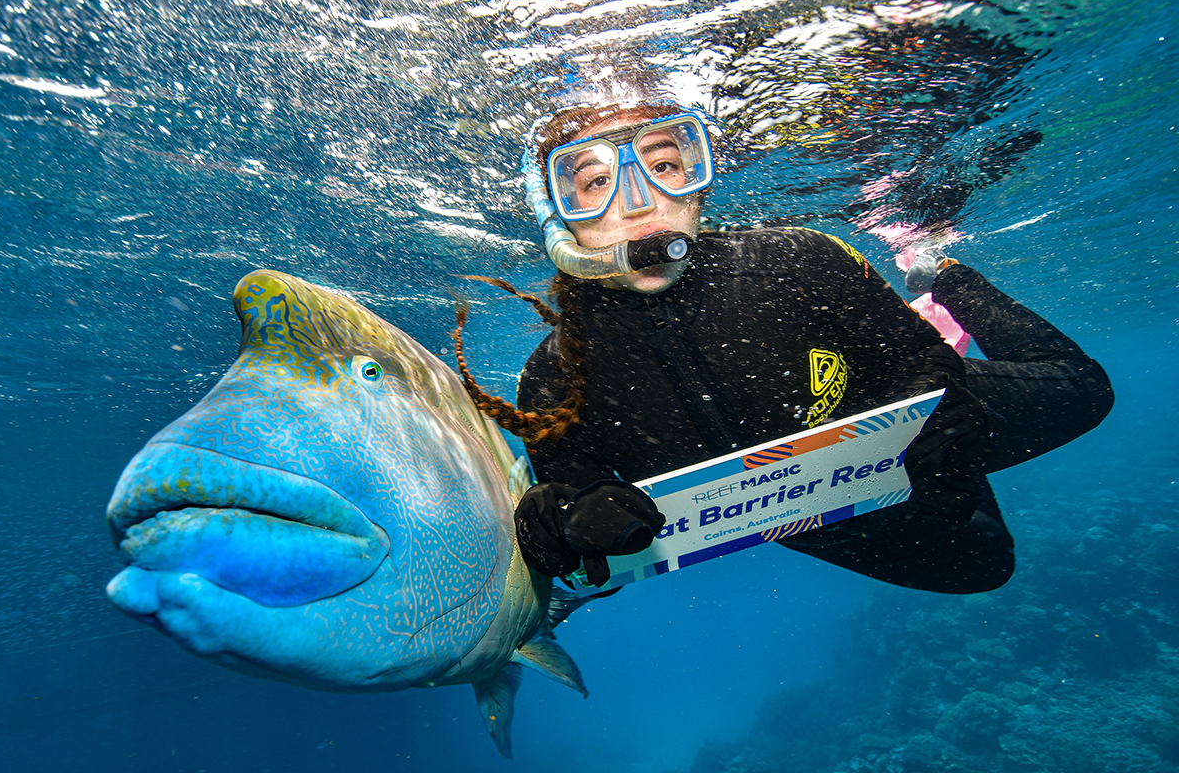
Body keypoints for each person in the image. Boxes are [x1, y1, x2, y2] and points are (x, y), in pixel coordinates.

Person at [452, 102, 1113, 595]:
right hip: (811, 505)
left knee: (1086, 389)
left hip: (910, 420)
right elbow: (575, 486)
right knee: (982, 566)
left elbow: (915, 359)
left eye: (663, 165)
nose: (641, 200)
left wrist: (932, 399)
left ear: (698, 181)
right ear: (556, 212)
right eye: (595, 182)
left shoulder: (798, 259)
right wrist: (561, 517)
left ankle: (941, 276)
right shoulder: (551, 380)